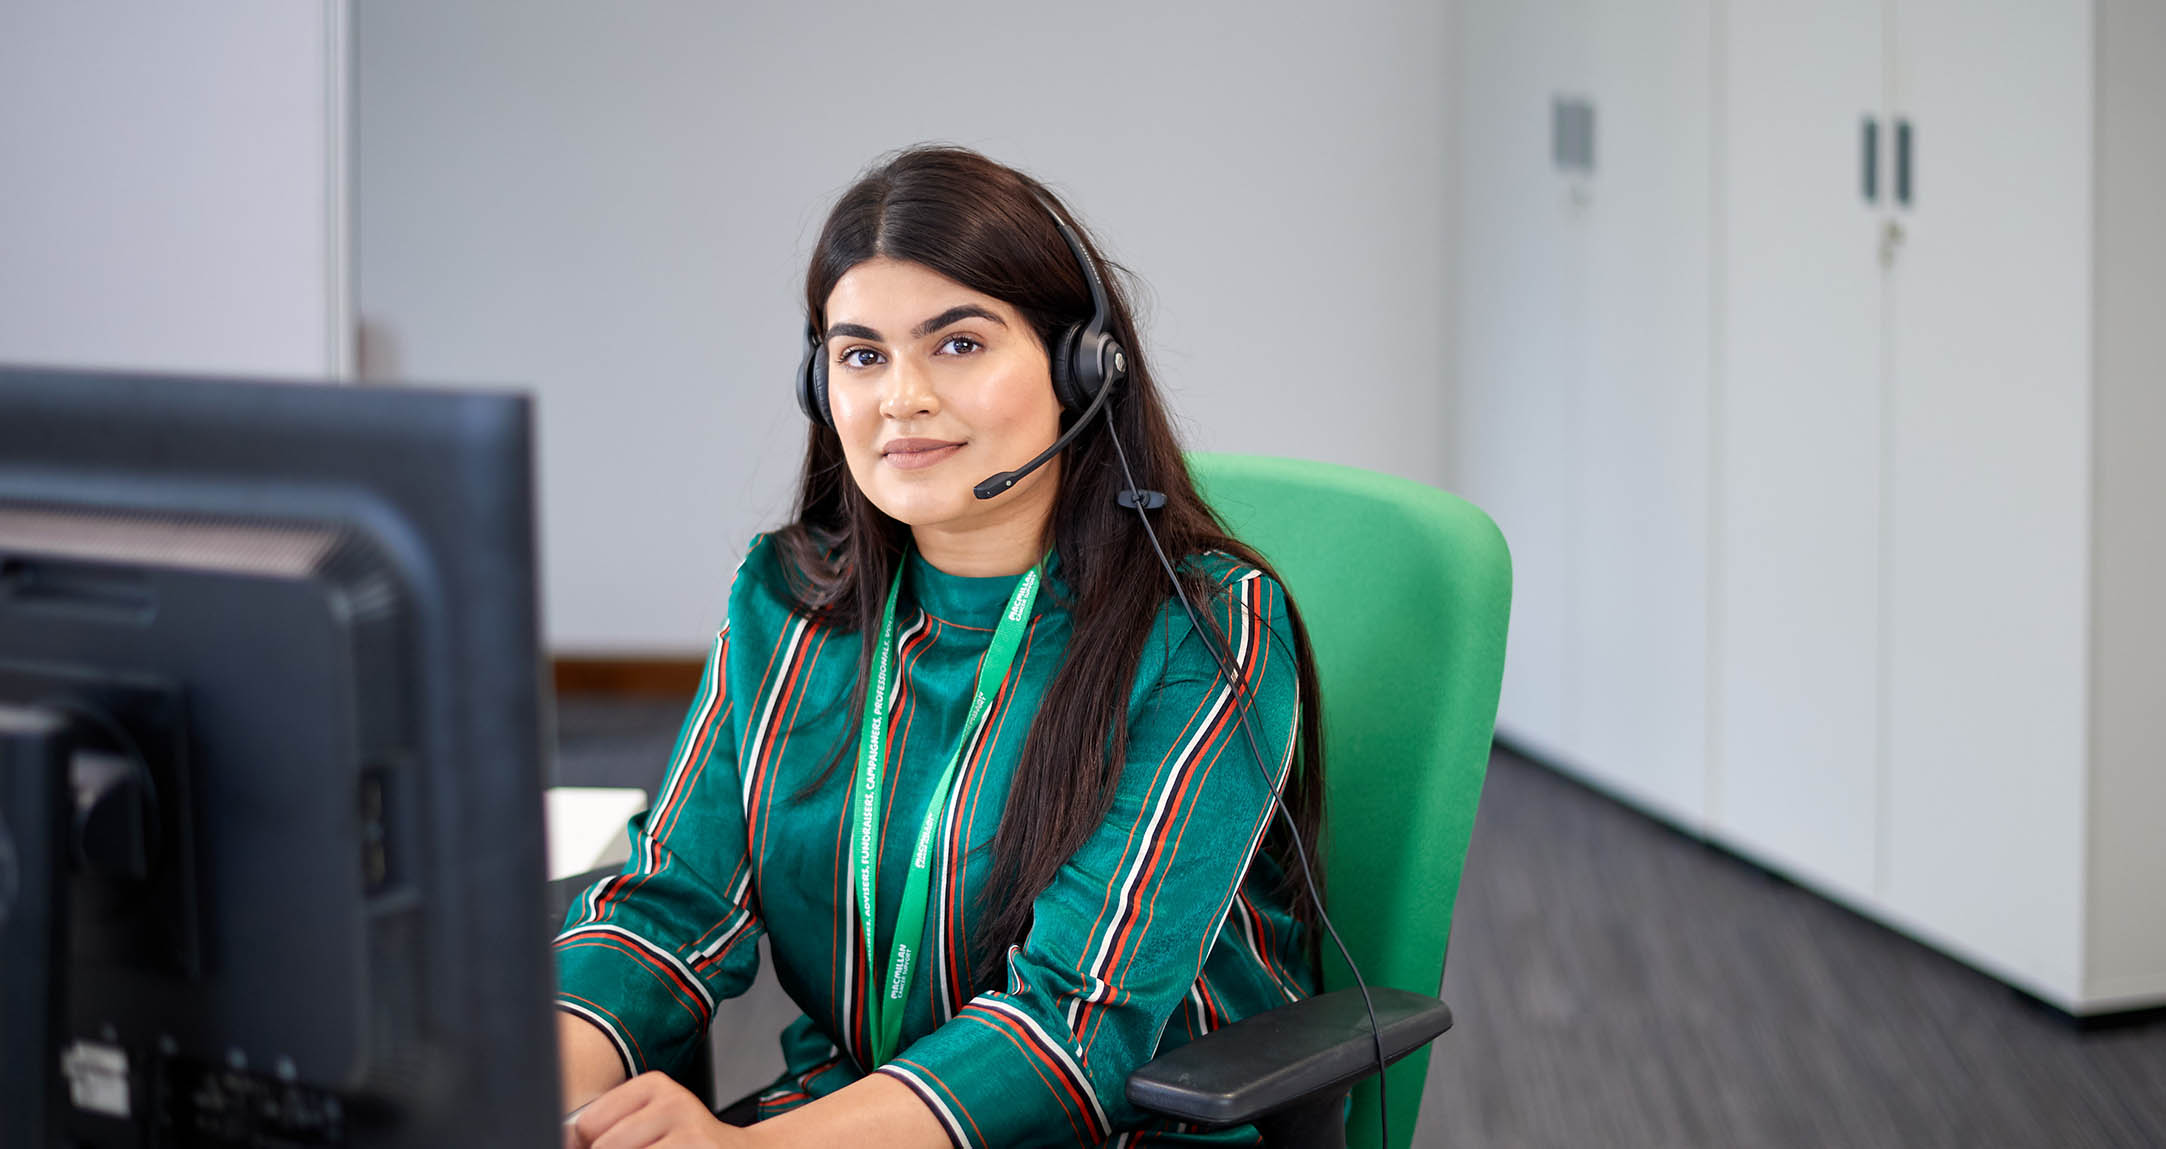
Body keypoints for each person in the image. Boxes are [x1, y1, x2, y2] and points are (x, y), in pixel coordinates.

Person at [557, 145, 1328, 1148]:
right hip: (846, 1116)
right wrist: (543, 1082)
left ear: (1079, 368)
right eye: (861, 354)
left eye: (957, 345)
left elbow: (1076, 1028)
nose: (901, 398)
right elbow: (672, 904)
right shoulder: (790, 600)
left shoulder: (1201, 629)